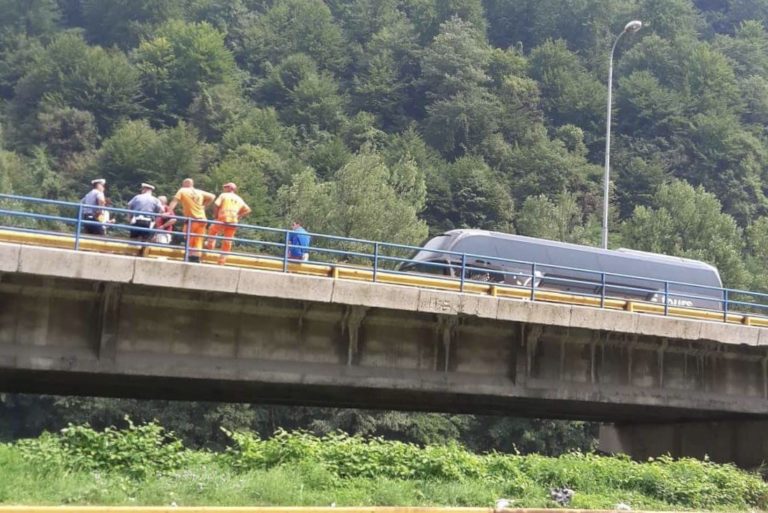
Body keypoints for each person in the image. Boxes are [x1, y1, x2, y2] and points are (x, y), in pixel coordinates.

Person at [168, 178, 215, 263]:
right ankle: (195, 258)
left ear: (185, 184)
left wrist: (168, 212)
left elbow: (174, 201)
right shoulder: (199, 192)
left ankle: (188, 256)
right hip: (203, 219)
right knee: (198, 239)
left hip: (192, 219)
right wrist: (204, 205)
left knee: (188, 237)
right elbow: (212, 196)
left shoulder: (182, 190)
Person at [205, 182, 252, 265]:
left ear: (230, 188)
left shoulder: (224, 195)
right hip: (233, 221)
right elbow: (248, 210)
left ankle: (210, 246)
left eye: (226, 187)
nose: (224, 188)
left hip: (222, 218)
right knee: (228, 240)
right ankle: (222, 261)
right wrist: (238, 216)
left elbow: (216, 205)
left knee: (212, 229)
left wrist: (216, 215)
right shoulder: (239, 199)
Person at [127, 183, 163, 249]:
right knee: (145, 240)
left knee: (133, 239)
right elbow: (162, 210)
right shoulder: (155, 200)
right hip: (148, 221)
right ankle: (142, 254)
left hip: (136, 220)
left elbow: (129, 205)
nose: (141, 190)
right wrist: (156, 218)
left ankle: (131, 252)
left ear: (145, 189)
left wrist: (129, 216)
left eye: (142, 189)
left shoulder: (137, 197)